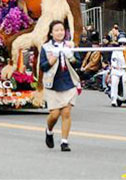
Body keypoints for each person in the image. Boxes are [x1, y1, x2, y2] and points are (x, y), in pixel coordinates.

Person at [40, 20, 80, 152]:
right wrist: (52, 59)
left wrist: (71, 56)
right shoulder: (46, 47)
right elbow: (43, 67)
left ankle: (64, 141)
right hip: (52, 83)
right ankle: (49, 131)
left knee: (66, 112)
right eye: (56, 30)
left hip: (68, 82)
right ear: (51, 33)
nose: (59, 32)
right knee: (55, 114)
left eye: (62, 30)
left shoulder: (70, 45)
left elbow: (77, 63)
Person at [109, 36, 126, 107]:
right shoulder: (116, 51)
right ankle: (114, 99)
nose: (122, 45)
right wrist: (115, 66)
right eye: (121, 43)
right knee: (114, 82)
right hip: (117, 70)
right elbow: (113, 60)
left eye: (124, 44)